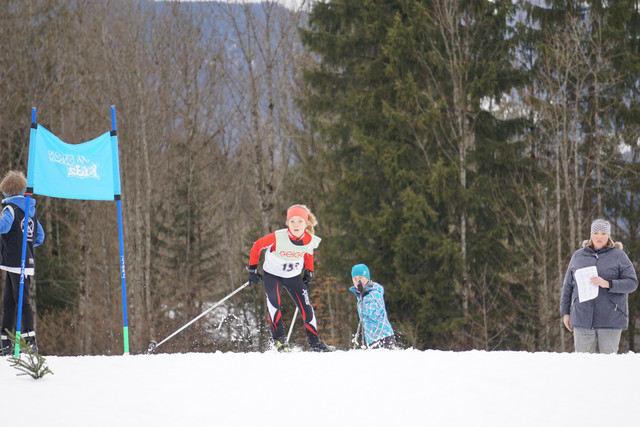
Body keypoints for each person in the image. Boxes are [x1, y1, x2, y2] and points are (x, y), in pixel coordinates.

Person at [247, 204, 333, 352]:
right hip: (272, 276)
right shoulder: (278, 236)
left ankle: (314, 343)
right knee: (274, 302)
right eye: (292, 221)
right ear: (287, 223)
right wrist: (253, 269)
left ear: (306, 223)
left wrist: (309, 271)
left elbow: (309, 254)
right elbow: (257, 246)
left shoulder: (309, 239)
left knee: (306, 308)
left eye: (300, 221)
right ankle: (280, 341)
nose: (296, 225)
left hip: (293, 277)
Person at [560, 219, 637, 354]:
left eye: (603, 233)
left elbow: (632, 283)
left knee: (607, 366)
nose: (599, 237)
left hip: (610, 319)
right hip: (582, 318)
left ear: (608, 237)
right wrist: (565, 312)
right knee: (583, 364)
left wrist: (608, 284)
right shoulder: (578, 256)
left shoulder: (619, 256)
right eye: (596, 233)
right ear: (591, 235)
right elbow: (567, 286)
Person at [0, 171, 45, 355]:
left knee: (20, 302)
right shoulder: (30, 210)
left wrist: (17, 243)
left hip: (13, 260)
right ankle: (6, 340)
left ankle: (29, 340)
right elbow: (40, 236)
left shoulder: (9, 209)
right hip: (25, 262)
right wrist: (25, 243)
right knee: (10, 301)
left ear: (7, 192)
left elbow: (4, 226)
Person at [349, 263, 396, 349]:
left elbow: (373, 314)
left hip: (383, 336)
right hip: (371, 338)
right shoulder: (361, 295)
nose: (357, 281)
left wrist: (365, 295)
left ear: (367, 278)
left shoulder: (375, 293)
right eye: (355, 279)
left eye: (360, 278)